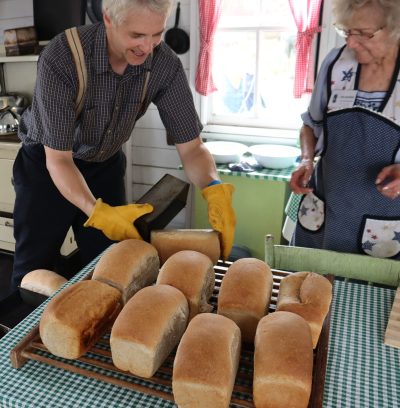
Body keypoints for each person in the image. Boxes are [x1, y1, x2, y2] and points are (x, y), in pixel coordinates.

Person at [11, 0, 235, 290]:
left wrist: (213, 187)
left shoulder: (164, 65)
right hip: (47, 168)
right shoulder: (63, 57)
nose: (148, 47)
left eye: (157, 34)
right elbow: (59, 161)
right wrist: (97, 211)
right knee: (34, 272)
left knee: (113, 266)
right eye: (137, 35)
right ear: (109, 19)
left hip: (104, 166)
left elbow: (192, 149)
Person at [289, 0, 400, 259]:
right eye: (347, 31)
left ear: (395, 28)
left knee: (374, 295)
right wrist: (307, 159)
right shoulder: (337, 65)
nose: (351, 43)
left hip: (384, 224)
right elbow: (310, 124)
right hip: (325, 211)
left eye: (363, 33)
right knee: (309, 289)